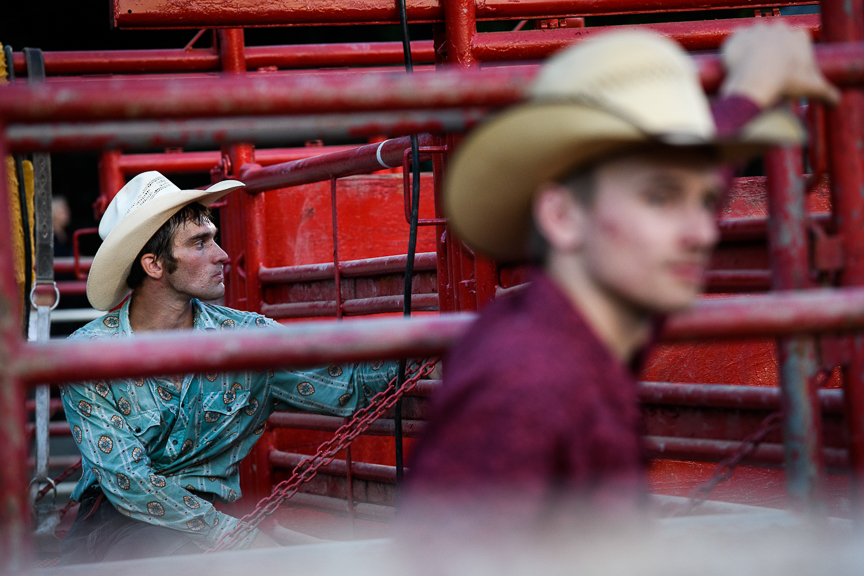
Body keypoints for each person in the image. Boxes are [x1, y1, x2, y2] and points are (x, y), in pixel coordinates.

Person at [401, 24, 839, 533]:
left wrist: (751, 90)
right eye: (660, 198)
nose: (700, 230)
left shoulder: (583, 325)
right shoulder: (524, 389)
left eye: (704, 201)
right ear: (563, 217)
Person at [59, 172, 401, 563]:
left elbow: (345, 385)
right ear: (153, 264)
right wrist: (238, 538)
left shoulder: (248, 339)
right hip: (115, 525)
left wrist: (432, 348)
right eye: (200, 243)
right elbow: (130, 485)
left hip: (206, 530)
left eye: (213, 238)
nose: (222, 254)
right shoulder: (89, 355)